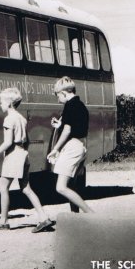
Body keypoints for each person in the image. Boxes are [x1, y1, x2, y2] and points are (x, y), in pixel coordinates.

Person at [0, 88, 54, 232]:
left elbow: (8, 142)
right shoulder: (21, 118)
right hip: (23, 154)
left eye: (1, 101)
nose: (0, 104)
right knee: (26, 188)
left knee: (3, 187)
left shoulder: (9, 119)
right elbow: (26, 140)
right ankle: (43, 217)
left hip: (14, 155)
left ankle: (3, 221)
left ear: (9, 103)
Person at [46, 76, 94, 213]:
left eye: (57, 96)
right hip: (80, 145)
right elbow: (76, 127)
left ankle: (90, 214)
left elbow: (68, 131)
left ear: (63, 93)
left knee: (61, 187)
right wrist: (60, 124)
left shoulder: (69, 105)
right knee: (71, 184)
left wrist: (55, 149)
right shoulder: (80, 105)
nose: (58, 99)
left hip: (72, 147)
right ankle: (76, 216)